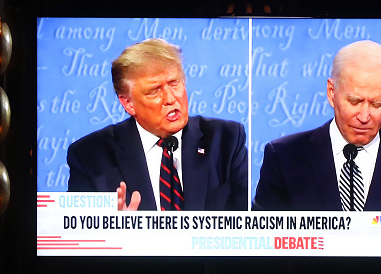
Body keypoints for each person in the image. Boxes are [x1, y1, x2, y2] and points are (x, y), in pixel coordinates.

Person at [252, 40, 381, 211]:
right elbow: (264, 241)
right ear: (332, 92)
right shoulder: (284, 158)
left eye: (377, 104)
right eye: (355, 101)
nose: (365, 116)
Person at [67, 38, 248, 211]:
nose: (170, 99)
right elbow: (76, 236)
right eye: (154, 91)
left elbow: (247, 226)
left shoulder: (226, 140)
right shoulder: (90, 156)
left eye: (174, 83)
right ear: (128, 103)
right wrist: (114, 232)